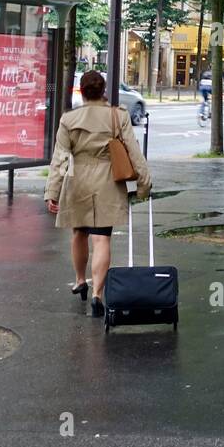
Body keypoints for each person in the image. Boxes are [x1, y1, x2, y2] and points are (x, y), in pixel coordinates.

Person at [45, 70, 152, 318]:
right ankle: (97, 294)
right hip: (108, 182)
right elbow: (134, 152)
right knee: (102, 239)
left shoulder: (68, 120)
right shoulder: (118, 116)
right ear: (103, 90)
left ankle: (80, 279)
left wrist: (52, 191)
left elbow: (60, 159)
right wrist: (144, 183)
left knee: (78, 233)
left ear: (81, 92)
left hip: (78, 180)